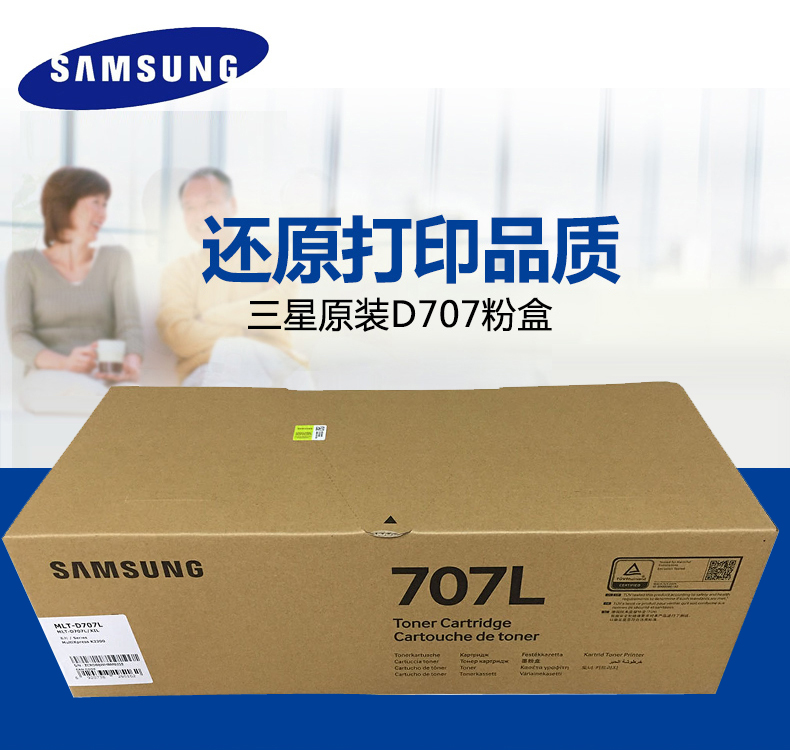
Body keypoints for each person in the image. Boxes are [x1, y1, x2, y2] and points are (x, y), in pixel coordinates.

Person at [6, 167, 144, 414]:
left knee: (132, 402)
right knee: (92, 399)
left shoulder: (117, 259)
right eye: (95, 203)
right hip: (50, 376)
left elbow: (130, 326)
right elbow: (20, 336)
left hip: (106, 376)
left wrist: (131, 364)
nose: (103, 213)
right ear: (65, 205)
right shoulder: (23, 263)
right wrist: (66, 363)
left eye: (105, 204)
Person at [157, 167, 310, 388]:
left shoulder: (274, 256)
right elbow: (179, 335)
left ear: (233, 205)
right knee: (232, 351)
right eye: (190, 207)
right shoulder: (178, 271)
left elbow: (282, 306)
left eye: (210, 203)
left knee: (243, 355)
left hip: (272, 365)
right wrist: (246, 326)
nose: (200, 215)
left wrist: (209, 317)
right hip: (205, 374)